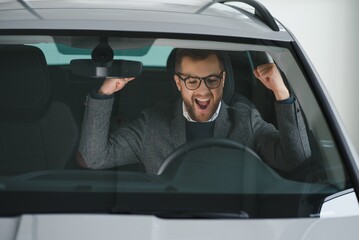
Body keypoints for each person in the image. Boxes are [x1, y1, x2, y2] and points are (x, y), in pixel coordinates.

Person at [78, 49, 311, 174]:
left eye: (211, 80)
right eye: (191, 81)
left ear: (223, 80)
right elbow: (94, 158)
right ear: (178, 83)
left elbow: (295, 158)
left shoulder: (245, 121)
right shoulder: (151, 125)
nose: (203, 91)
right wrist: (105, 93)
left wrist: (281, 93)